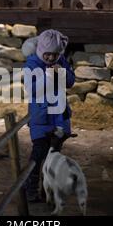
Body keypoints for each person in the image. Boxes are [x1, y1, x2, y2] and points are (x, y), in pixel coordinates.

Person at [22, 29, 75, 202]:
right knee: (38, 153)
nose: (51, 58)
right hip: (41, 116)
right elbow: (32, 90)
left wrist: (63, 73)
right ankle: (29, 188)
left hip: (59, 116)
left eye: (55, 54)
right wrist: (49, 75)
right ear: (40, 50)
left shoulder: (61, 61)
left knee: (54, 154)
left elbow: (70, 82)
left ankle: (48, 189)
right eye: (47, 54)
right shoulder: (31, 64)